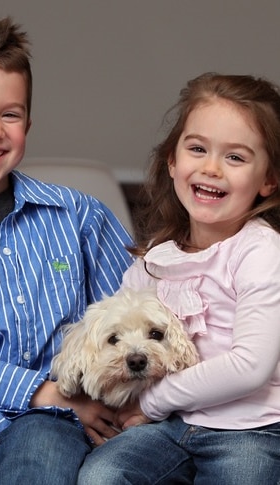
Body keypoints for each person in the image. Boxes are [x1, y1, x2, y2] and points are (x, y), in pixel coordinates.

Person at [0, 17, 134, 484]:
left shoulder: (78, 216)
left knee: (45, 449)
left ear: (27, 124)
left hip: (56, 418)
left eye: (9, 114)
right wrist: (44, 391)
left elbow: (126, 312)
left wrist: (84, 396)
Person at [78, 72, 280, 484]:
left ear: (268, 180)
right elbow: (111, 334)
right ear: (172, 161)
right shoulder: (155, 259)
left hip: (252, 430)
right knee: (103, 474)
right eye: (197, 149)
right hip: (170, 427)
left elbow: (250, 367)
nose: (211, 168)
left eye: (236, 157)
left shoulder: (261, 252)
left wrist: (151, 403)